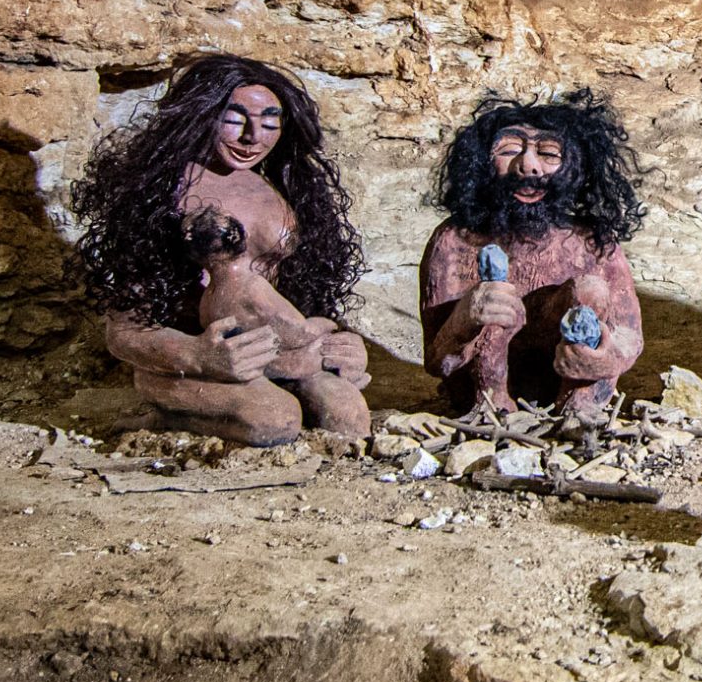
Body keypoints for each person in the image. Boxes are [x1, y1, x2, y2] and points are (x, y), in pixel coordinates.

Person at [69, 55, 370, 445]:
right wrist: (197, 355)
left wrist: (339, 344)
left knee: (348, 419)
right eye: (235, 118)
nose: (253, 136)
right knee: (274, 421)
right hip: (188, 364)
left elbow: (294, 302)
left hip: (275, 355)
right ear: (202, 114)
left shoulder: (287, 190)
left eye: (269, 121)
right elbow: (124, 333)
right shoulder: (161, 194)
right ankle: (162, 417)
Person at [418, 91, 647, 418]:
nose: (528, 164)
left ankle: (577, 409)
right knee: (495, 302)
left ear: (575, 165)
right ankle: (494, 410)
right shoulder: (454, 241)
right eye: (509, 150)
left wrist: (606, 356)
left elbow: (629, 335)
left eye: (549, 153)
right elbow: (439, 361)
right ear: (480, 163)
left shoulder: (592, 241)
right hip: (483, 402)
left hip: (572, 389)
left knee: (590, 291)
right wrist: (465, 318)